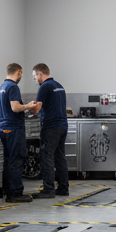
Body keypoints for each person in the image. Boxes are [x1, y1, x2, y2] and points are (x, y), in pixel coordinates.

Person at [0, 63, 33, 203]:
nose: (20, 77)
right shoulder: (13, 87)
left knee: (8, 159)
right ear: (18, 72)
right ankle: (15, 193)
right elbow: (15, 107)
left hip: (3, 128)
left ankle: (7, 189)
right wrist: (29, 106)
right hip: (14, 128)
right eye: (21, 74)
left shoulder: (1, 88)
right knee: (17, 159)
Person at [31, 63, 69, 198]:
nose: (35, 79)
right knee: (60, 156)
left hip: (51, 127)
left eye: (35, 76)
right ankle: (64, 188)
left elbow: (37, 108)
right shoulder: (59, 86)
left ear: (41, 74)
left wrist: (27, 107)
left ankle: (48, 189)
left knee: (46, 156)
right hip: (63, 125)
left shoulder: (44, 87)